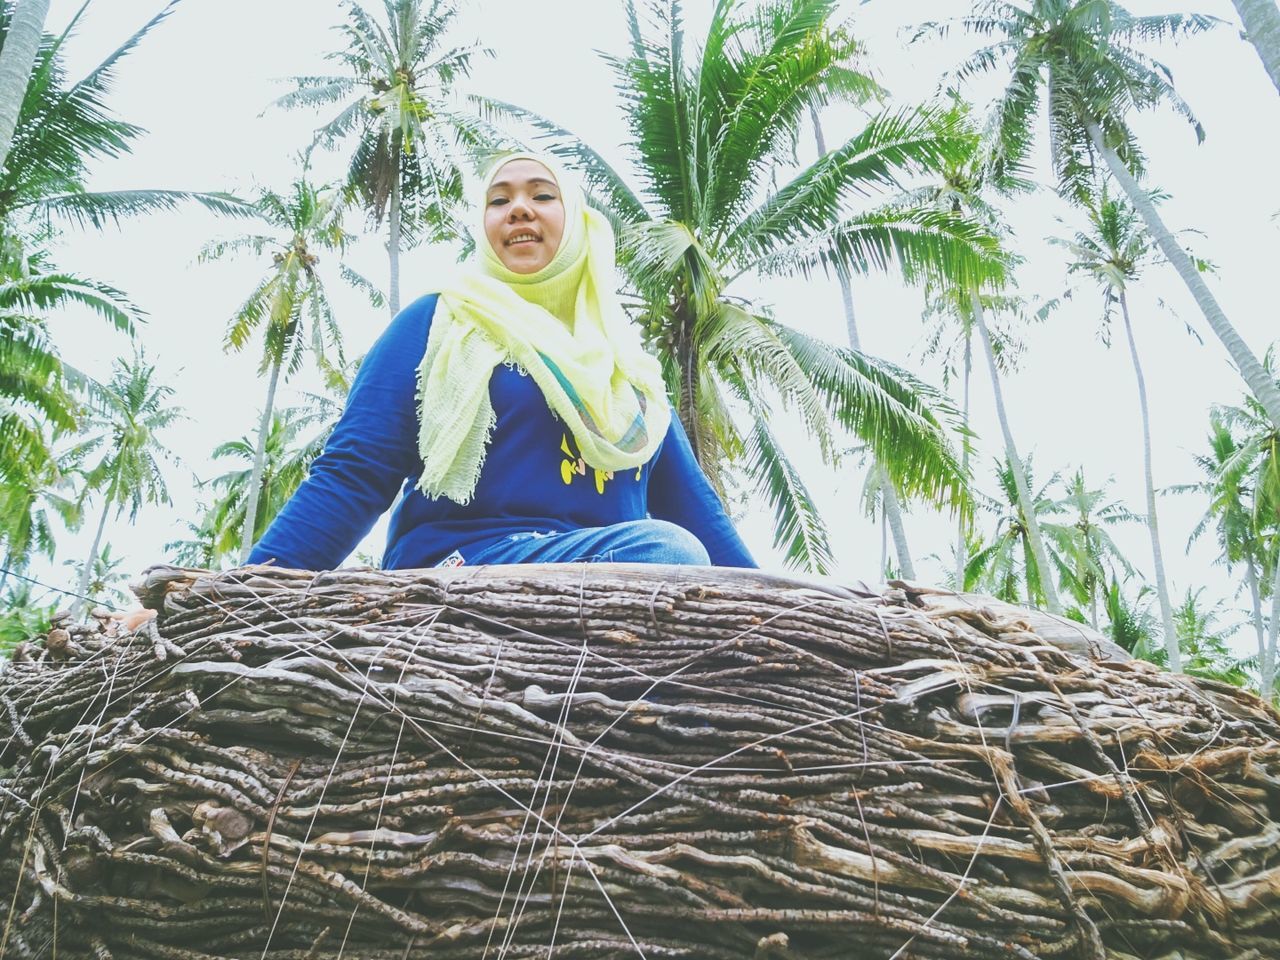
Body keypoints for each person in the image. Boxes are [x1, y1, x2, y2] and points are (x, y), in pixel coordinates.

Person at [246, 152, 755, 572]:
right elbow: (354, 474)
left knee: (680, 556)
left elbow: (700, 516)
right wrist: (248, 593)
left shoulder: (628, 371)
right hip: (459, 570)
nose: (518, 209)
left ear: (575, 222)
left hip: (611, 576)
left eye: (541, 195)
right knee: (667, 553)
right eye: (499, 200)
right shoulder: (439, 322)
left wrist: (784, 607)